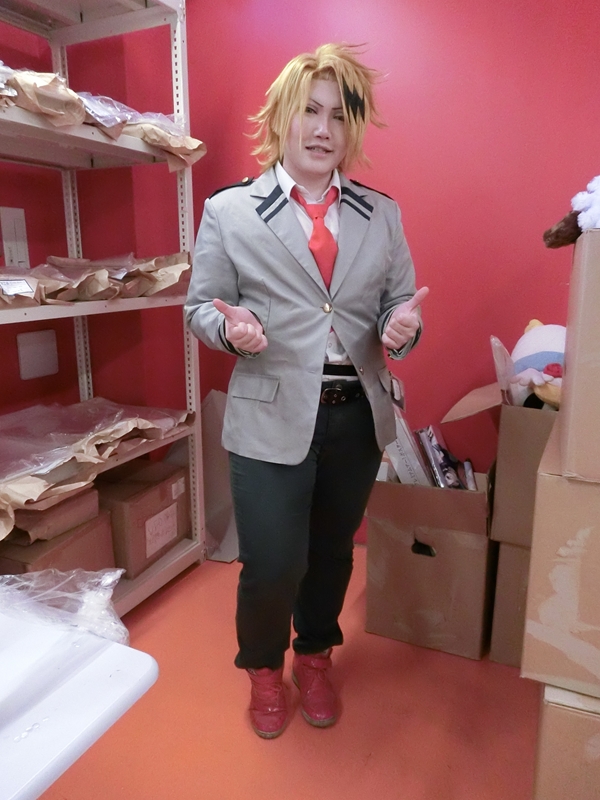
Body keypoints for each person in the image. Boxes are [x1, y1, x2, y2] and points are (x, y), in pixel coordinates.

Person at [184, 43, 428, 739]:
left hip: (355, 416)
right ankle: (264, 670)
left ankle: (314, 656)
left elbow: (399, 301)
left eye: (339, 116)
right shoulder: (231, 210)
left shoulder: (381, 214)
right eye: (310, 112)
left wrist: (402, 326)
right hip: (268, 416)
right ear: (282, 117)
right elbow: (200, 307)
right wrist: (232, 332)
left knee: (331, 553)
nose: (323, 130)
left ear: (353, 130)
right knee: (271, 562)